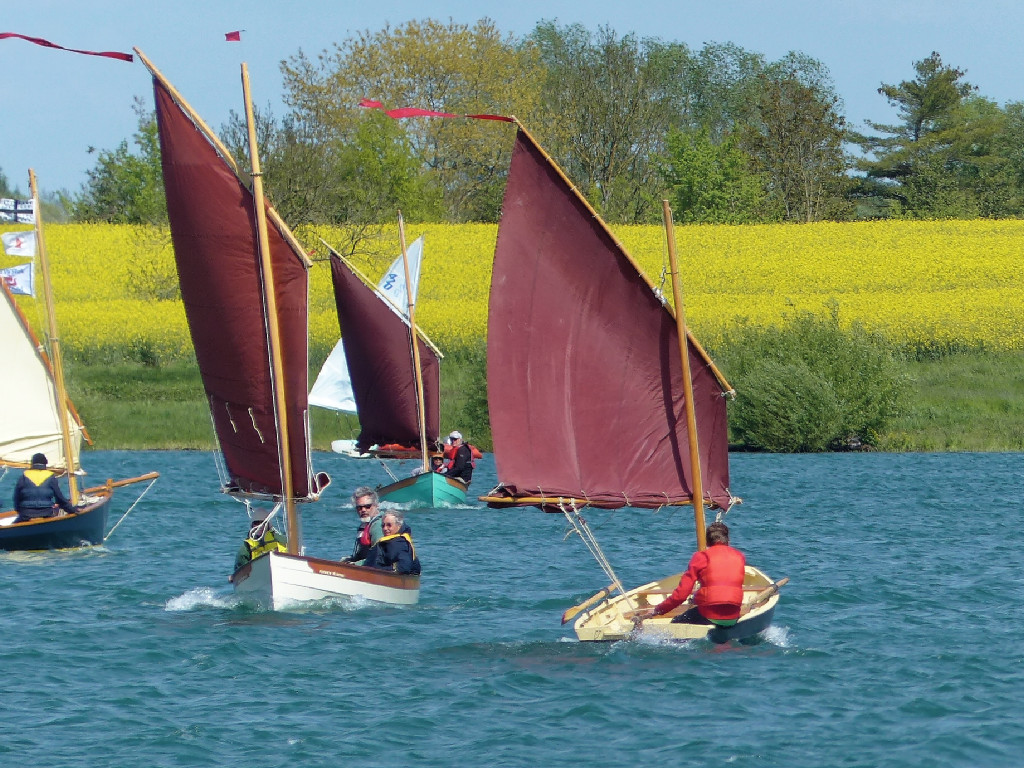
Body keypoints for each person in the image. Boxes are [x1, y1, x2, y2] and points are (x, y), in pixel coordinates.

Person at [636, 522, 746, 627]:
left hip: (708, 615)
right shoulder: (740, 556)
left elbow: (681, 595)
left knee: (675, 623)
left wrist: (657, 610)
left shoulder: (700, 557)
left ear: (707, 542)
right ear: (728, 540)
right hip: (733, 617)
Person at [13, 453, 76, 522]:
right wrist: (72, 510)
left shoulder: (23, 476)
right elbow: (60, 499)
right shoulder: (50, 476)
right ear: (45, 463)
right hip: (46, 513)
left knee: (15, 522)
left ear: (32, 463)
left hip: (26, 515)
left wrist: (20, 511)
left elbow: (16, 498)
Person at [341, 487, 384, 565]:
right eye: (359, 507)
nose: (363, 510)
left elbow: (379, 556)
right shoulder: (365, 525)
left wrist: (356, 564)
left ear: (376, 505)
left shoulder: (378, 526)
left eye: (367, 506)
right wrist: (350, 560)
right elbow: (361, 554)